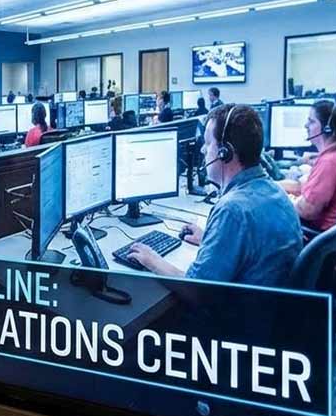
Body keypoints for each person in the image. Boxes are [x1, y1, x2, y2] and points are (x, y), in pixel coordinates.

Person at [128, 105, 301, 286]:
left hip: (243, 304)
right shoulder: (275, 191)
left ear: (224, 152)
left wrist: (152, 260)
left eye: (208, 143)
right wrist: (210, 240)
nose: (203, 150)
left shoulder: (232, 210)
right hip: (273, 300)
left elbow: (197, 288)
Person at [280, 100, 336, 262]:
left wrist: (284, 200)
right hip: (330, 246)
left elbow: (307, 210)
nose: (306, 125)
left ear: (327, 128)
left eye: (311, 121)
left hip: (326, 253)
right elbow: (307, 189)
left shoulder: (331, 162)